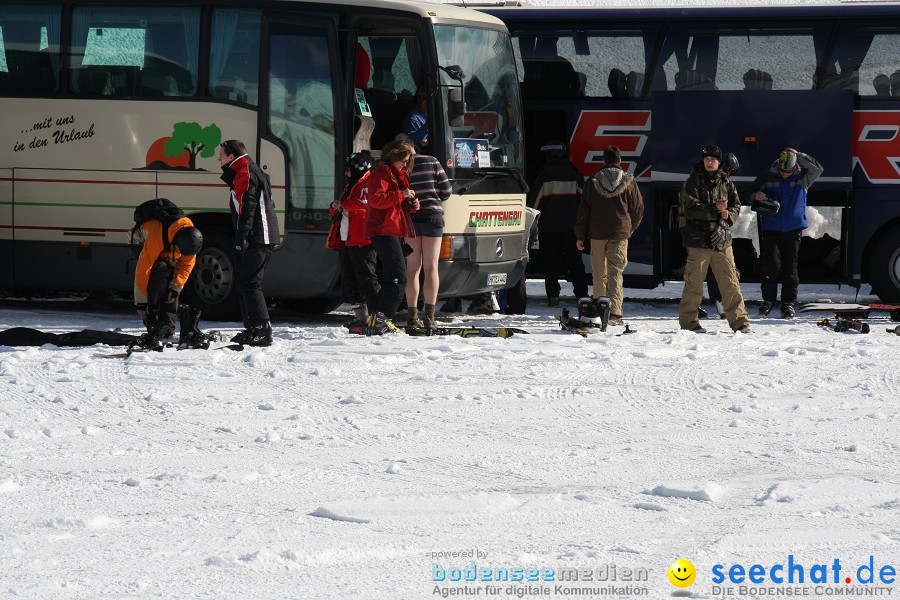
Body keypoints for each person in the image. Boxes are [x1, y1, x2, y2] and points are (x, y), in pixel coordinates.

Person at [678, 145, 751, 333]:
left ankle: (740, 323)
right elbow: (690, 210)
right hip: (698, 241)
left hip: (722, 240)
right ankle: (689, 323)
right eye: (706, 159)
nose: (709, 162)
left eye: (713, 159)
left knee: (730, 282)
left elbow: (736, 205)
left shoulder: (726, 182)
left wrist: (729, 214)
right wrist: (714, 210)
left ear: (719, 162)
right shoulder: (692, 182)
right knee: (694, 284)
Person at [218, 139, 281, 346]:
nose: (218, 158)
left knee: (250, 283)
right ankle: (253, 328)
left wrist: (242, 236)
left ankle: (262, 329)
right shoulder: (247, 169)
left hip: (258, 235)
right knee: (246, 283)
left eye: (221, 154)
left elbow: (248, 205)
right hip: (260, 234)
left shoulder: (244, 171)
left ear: (231, 156)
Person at [573, 145, 644, 325]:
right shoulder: (629, 181)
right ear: (620, 161)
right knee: (615, 273)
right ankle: (615, 313)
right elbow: (637, 208)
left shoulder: (592, 181)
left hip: (597, 234)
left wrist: (580, 236)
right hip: (620, 233)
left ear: (603, 161)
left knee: (599, 273)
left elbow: (584, 211)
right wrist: (631, 227)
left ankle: (598, 311)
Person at [753, 148, 824, 318]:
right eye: (782, 170)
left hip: (793, 229)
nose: (784, 174)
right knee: (771, 265)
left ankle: (788, 303)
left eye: (788, 171)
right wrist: (756, 195)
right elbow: (750, 192)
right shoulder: (767, 176)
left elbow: (818, 169)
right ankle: (768, 300)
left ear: (794, 167)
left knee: (790, 267)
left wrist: (799, 155)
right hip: (771, 227)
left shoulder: (803, 178)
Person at [366, 139, 420, 333]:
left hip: (394, 229)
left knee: (390, 277)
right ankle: (383, 319)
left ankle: (376, 318)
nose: (405, 165)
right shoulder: (381, 174)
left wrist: (411, 205)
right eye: (403, 160)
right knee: (398, 277)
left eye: (407, 161)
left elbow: (396, 205)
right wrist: (401, 195)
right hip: (383, 230)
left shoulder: (398, 175)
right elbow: (376, 200)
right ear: (394, 156)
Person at [528, 140, 588, 307]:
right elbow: (584, 203)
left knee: (551, 263)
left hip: (549, 229)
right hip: (572, 229)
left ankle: (553, 296)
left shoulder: (543, 177)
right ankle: (582, 295)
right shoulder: (575, 176)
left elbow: (535, 205)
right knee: (576, 263)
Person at [132, 210, 203, 346]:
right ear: (176, 241)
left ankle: (167, 326)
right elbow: (143, 271)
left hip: (166, 244)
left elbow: (185, 268)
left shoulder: (190, 241)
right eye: (177, 250)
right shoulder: (156, 238)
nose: (179, 253)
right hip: (140, 240)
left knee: (171, 277)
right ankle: (153, 320)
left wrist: (174, 289)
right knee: (159, 270)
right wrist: (141, 303)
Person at [402, 139, 452, 328]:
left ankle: (412, 317)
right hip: (432, 217)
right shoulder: (432, 161)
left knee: (412, 269)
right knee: (431, 267)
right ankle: (429, 317)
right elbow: (446, 191)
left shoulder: (401, 167)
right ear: (414, 146)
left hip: (411, 220)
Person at [328, 151, 379, 326]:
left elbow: (365, 203)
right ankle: (361, 318)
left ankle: (376, 316)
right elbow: (344, 207)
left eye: (349, 170)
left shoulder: (368, 183)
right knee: (350, 280)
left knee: (367, 278)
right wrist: (336, 206)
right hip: (346, 238)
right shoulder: (352, 185)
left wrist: (343, 204)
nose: (346, 173)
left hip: (363, 239)